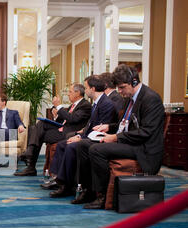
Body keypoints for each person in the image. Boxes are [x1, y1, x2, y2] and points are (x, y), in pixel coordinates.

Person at [77, 64, 165, 209]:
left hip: (143, 148)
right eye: (118, 87)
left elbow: (146, 132)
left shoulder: (151, 99)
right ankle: (88, 190)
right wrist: (109, 127)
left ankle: (103, 195)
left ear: (134, 82)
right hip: (129, 141)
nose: (120, 91)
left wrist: (116, 138)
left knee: (96, 150)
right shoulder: (128, 97)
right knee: (83, 144)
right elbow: (124, 124)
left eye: (122, 87)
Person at [48, 75, 115, 198]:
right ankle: (60, 181)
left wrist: (81, 138)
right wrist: (81, 134)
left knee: (70, 146)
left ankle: (66, 186)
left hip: (98, 140)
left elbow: (100, 129)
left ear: (93, 89)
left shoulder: (105, 104)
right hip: (88, 136)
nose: (85, 90)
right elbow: (90, 125)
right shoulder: (97, 102)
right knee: (63, 143)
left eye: (86, 87)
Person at [14, 83, 92, 176]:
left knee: (38, 134)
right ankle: (30, 159)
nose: (68, 94)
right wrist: (56, 116)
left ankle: (30, 161)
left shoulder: (85, 105)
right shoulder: (73, 105)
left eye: (70, 92)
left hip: (70, 133)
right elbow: (64, 119)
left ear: (77, 93)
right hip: (62, 129)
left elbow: (72, 119)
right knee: (39, 126)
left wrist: (59, 106)